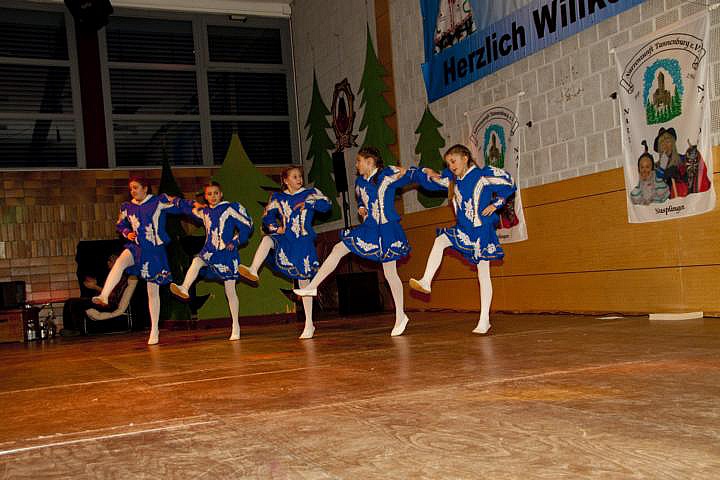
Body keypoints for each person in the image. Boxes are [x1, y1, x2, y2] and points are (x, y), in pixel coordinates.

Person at [292, 147, 416, 337]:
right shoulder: (359, 183)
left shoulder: (386, 174)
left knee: (390, 273)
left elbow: (409, 175)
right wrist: (361, 209)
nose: (356, 165)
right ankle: (312, 286)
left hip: (387, 230)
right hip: (370, 229)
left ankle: (401, 315)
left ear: (370, 162)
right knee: (338, 248)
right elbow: (361, 201)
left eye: (359, 161)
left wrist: (411, 172)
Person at [409, 144, 516, 335]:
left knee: (483, 274)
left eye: (453, 161)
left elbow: (510, 182)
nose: (451, 166)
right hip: (463, 230)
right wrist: (422, 171)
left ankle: (484, 320)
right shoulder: (452, 180)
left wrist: (496, 204)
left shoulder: (482, 175)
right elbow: (432, 181)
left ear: (465, 158)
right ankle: (426, 281)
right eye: (448, 163)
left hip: (481, 232)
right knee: (440, 240)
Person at [92, 176, 189, 345]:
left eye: (136, 187)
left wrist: (190, 205)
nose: (133, 191)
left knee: (152, 291)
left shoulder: (157, 202)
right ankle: (104, 295)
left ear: (145, 189)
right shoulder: (127, 207)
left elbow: (179, 206)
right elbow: (121, 225)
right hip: (136, 246)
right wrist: (127, 233)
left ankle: (154, 329)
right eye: (131, 188)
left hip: (154, 250)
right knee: (120, 262)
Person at [237, 166, 331, 339]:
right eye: (294, 176)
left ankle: (309, 324)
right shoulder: (278, 198)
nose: (299, 179)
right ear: (285, 181)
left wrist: (309, 204)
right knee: (267, 239)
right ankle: (253, 269)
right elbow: (267, 217)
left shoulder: (310, 193)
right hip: (286, 239)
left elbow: (327, 205)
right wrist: (275, 228)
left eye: (300, 176)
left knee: (304, 282)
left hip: (303, 241)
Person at [169, 181, 253, 341]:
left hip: (226, 253)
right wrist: (175, 200)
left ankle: (236, 326)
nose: (213, 196)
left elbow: (247, 224)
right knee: (196, 261)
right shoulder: (204, 212)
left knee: (230, 290)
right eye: (209, 194)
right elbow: (188, 208)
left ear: (221, 194)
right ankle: (184, 288)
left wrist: (235, 241)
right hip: (209, 251)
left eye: (216, 193)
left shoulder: (229, 208)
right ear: (205, 197)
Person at [61, 254, 134, 336]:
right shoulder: (112, 276)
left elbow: (114, 296)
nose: (108, 263)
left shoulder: (122, 277)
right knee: (70, 302)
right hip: (102, 301)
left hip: (109, 305)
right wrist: (95, 284)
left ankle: (75, 329)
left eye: (110, 261)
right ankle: (71, 328)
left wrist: (95, 287)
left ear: (117, 263)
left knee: (75, 303)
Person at [630, 141, 670, 205]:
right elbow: (635, 198)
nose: (644, 170)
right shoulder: (636, 191)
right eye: (642, 167)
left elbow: (663, 194)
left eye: (647, 167)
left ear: (652, 168)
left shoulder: (659, 182)